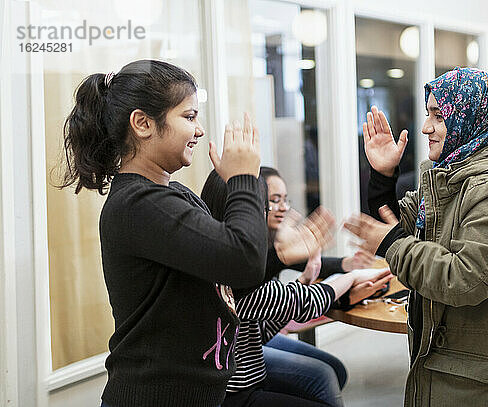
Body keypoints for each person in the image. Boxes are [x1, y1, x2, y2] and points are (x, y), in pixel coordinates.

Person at [59, 59, 328, 407]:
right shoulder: (138, 204)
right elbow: (240, 261)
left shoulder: (175, 197)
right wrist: (243, 179)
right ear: (142, 123)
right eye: (189, 117)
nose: (199, 130)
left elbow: (233, 281)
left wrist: (277, 257)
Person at [344, 67, 488, 406]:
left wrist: (392, 243)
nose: (426, 127)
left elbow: (465, 280)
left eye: (439, 115)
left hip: (486, 379)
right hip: (457, 366)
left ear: (473, 119)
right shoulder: (449, 176)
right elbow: (402, 225)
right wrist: (382, 177)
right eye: (427, 114)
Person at [201, 170, 393, 406]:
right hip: (237, 391)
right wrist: (351, 276)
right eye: (270, 202)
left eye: (283, 200)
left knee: (332, 371)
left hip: (245, 377)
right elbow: (302, 303)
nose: (279, 208)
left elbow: (260, 329)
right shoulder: (236, 268)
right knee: (324, 375)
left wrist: (309, 278)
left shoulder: (220, 253)